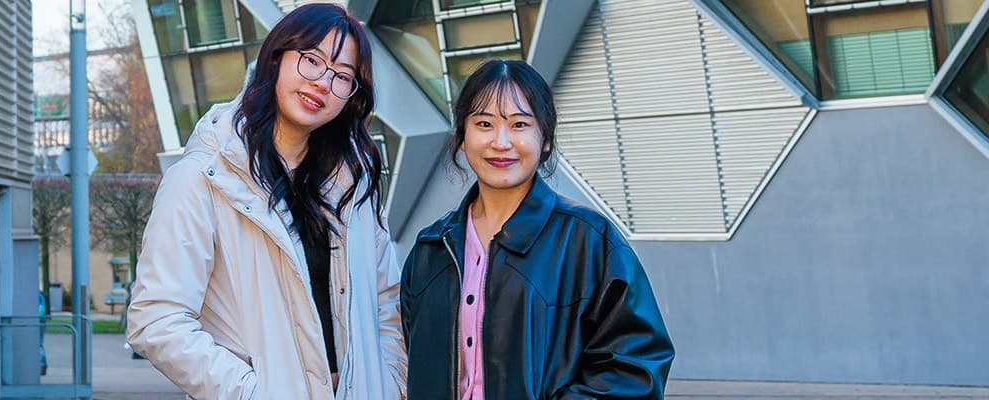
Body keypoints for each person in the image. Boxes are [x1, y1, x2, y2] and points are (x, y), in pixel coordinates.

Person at [125, 3, 405, 399]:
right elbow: (155, 318)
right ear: (276, 58)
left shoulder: (353, 189)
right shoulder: (202, 178)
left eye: (343, 76)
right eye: (312, 60)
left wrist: (390, 386)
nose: (323, 82)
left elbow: (387, 307)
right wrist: (253, 392)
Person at [400, 59, 675, 399]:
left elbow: (636, 369)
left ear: (544, 139)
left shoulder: (588, 240)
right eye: (484, 123)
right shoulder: (431, 249)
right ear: (462, 137)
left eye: (519, 125)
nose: (500, 142)